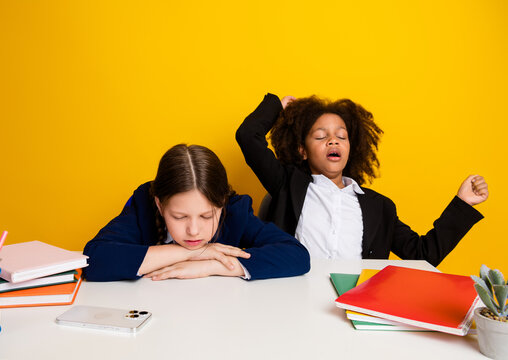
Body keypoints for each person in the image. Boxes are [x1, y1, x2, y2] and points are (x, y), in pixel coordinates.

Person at [236, 93, 489, 266]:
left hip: (353, 310)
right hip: (293, 300)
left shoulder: (380, 208)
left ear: (350, 149)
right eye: (321, 136)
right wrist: (278, 107)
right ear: (302, 150)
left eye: (341, 136)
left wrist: (462, 204)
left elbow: (424, 255)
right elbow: (248, 136)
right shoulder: (287, 184)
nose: (332, 140)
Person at [83, 143, 310, 282]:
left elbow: (297, 256)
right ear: (160, 206)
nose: (193, 231)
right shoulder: (144, 206)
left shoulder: (235, 211)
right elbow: (93, 259)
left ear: (222, 204)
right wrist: (195, 252)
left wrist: (212, 264)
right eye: (179, 217)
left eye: (206, 216)